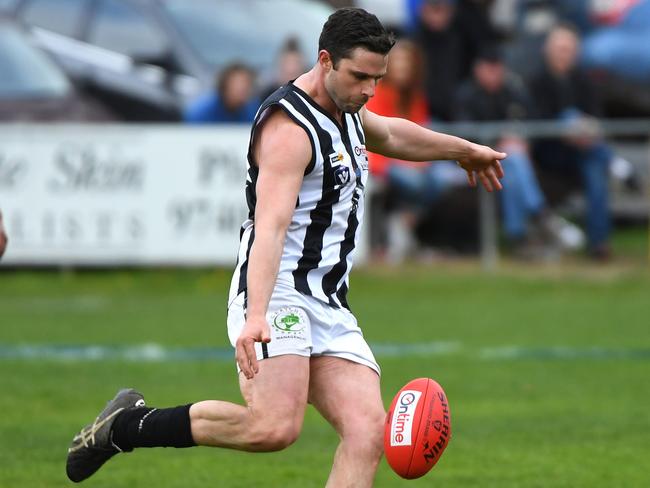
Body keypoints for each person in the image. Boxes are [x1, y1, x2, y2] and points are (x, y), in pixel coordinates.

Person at [66, 8, 505, 487]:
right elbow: (270, 229)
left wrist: (464, 149)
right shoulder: (289, 130)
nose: (369, 91)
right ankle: (127, 426)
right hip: (278, 293)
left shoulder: (349, 107)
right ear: (325, 61)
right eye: (360, 76)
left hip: (329, 301)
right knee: (273, 428)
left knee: (368, 431)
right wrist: (256, 315)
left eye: (377, 79)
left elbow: (393, 133)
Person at [454, 45, 585, 256]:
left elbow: (532, 122)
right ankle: (541, 214)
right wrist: (498, 143)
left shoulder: (512, 90)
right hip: (473, 163)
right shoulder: (466, 94)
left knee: (512, 167)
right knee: (512, 160)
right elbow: (463, 136)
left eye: (498, 68)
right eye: (489, 68)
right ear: (478, 69)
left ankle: (519, 237)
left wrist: (521, 139)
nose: (494, 73)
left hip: (509, 162)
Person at [366, 39, 467, 261]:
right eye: (399, 62)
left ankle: (405, 218)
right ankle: (402, 222)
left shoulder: (416, 97)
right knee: (414, 182)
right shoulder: (376, 93)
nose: (403, 68)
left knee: (445, 178)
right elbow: (375, 140)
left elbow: (421, 133)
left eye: (408, 63)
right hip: (383, 162)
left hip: (414, 159)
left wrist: (421, 160)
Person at [529, 24, 613, 259]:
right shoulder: (536, 82)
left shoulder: (584, 82)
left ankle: (598, 245)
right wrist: (568, 129)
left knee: (596, 169)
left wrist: (583, 131)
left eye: (568, 49)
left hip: (584, 153)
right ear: (547, 50)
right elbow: (537, 124)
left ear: (576, 52)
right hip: (550, 154)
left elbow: (598, 121)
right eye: (559, 48)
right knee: (569, 117)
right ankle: (617, 165)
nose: (563, 53)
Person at [184, 62, 259, 123]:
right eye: (237, 83)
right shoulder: (202, 111)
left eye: (246, 83)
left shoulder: (252, 110)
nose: (242, 88)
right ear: (225, 85)